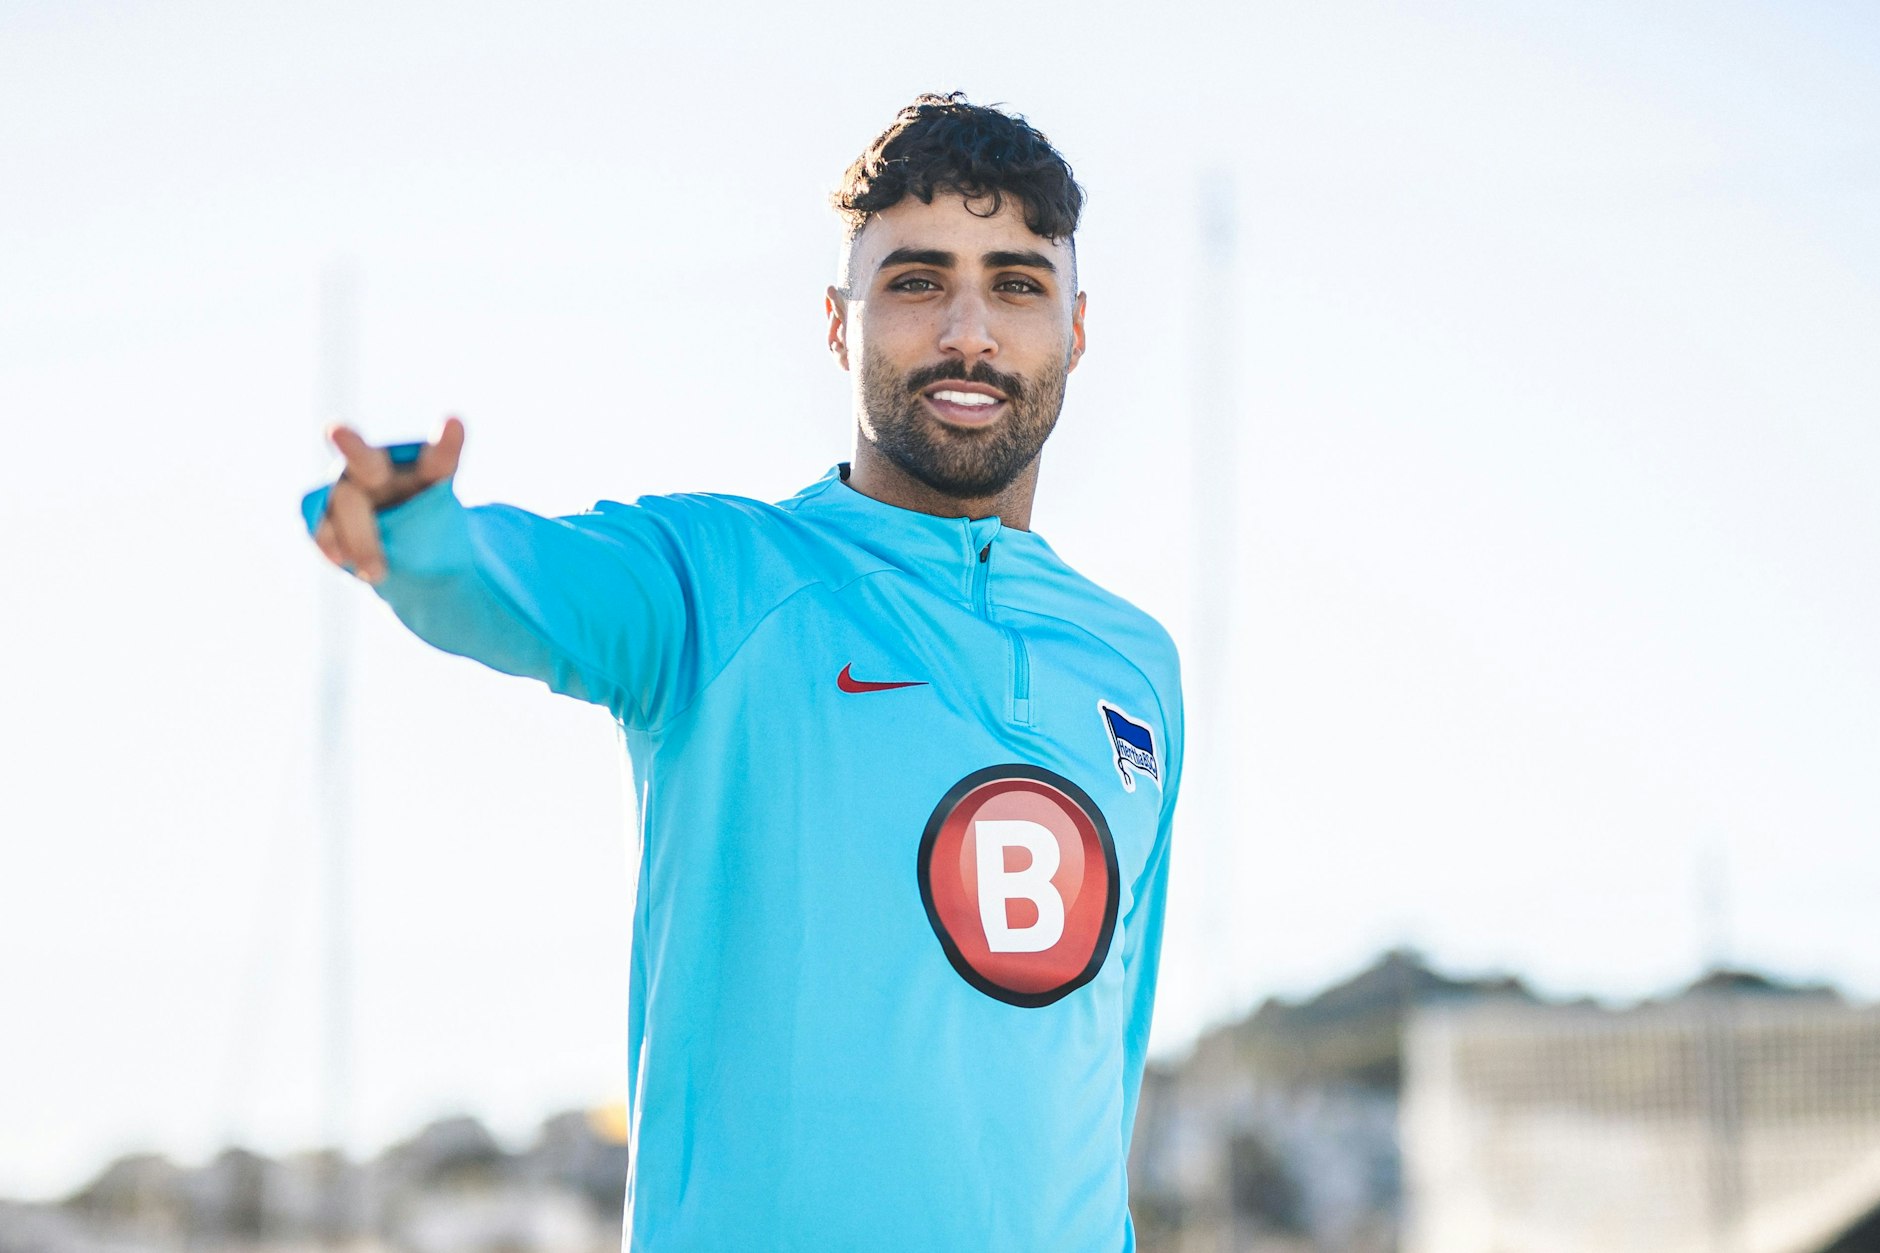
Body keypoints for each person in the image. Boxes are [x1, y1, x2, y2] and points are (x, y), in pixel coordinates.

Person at [303, 92, 1183, 1252]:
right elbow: (525, 584)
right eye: (915, 282)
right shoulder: (719, 577)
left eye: (1015, 284)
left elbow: (1100, 1057)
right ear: (837, 323)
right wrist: (420, 537)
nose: (968, 331)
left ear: (1074, 328)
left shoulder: (1133, 665)